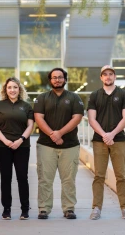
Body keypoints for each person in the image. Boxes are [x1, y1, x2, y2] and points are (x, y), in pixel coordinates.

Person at [34, 68, 84, 220]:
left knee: (68, 179)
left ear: (65, 79)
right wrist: (53, 135)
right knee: (45, 178)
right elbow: (38, 118)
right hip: (46, 146)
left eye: (60, 77)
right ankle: (44, 209)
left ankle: (69, 208)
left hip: (69, 145)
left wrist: (59, 133)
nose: (57, 80)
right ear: (50, 80)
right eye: (54, 77)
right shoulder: (42, 98)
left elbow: (77, 117)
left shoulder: (74, 98)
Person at [87, 65, 125, 220]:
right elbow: (91, 119)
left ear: (115, 77)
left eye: (110, 74)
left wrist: (112, 134)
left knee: (121, 175)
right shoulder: (94, 95)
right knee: (99, 175)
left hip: (118, 140)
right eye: (105, 74)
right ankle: (96, 208)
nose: (108, 77)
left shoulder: (123, 94)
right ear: (101, 77)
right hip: (99, 141)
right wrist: (104, 135)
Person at [0, 77, 34, 220]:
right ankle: (6, 209)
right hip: (2, 146)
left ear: (19, 89)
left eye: (15, 87)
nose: (12, 90)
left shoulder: (26, 106)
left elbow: (30, 126)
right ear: (5, 90)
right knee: (6, 177)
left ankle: (25, 209)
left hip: (22, 146)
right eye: (9, 87)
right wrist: (6, 141)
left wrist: (20, 140)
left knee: (22, 177)